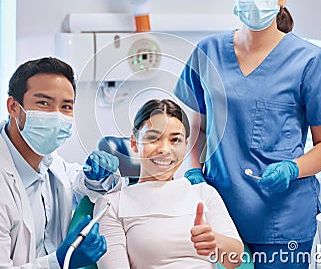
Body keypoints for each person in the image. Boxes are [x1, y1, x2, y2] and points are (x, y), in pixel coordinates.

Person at [173, 0, 321, 269]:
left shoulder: (308, 60)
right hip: (219, 211)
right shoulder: (208, 52)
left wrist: (292, 169)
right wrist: (193, 169)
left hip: (282, 220)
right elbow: (197, 128)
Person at [0, 57, 121, 268]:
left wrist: (97, 177)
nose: (56, 116)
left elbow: (78, 185)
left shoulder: (47, 161)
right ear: (13, 107)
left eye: (66, 106)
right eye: (43, 103)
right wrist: (60, 261)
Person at [94, 99, 243, 269]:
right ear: (134, 143)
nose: (165, 149)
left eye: (175, 140)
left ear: (186, 145)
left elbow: (234, 261)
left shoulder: (204, 193)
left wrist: (214, 240)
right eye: (153, 138)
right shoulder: (112, 204)